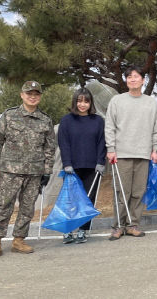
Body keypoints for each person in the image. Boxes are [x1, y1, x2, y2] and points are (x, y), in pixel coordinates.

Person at [0, 81, 56, 262]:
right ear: (22, 95)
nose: (32, 96)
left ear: (40, 97)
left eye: (36, 94)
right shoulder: (9, 116)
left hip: (34, 172)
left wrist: (47, 171)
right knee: (3, 206)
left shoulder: (45, 120)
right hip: (10, 171)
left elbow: (50, 148)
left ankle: (19, 240)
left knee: (27, 208)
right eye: (29, 93)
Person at [104, 66, 157, 240]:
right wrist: (111, 149)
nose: (133, 79)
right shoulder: (117, 101)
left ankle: (133, 224)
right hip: (121, 154)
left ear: (143, 80)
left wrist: (155, 149)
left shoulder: (151, 102)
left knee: (138, 192)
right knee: (122, 192)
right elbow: (109, 126)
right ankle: (118, 226)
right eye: (129, 77)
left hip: (143, 154)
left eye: (136, 77)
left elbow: (156, 128)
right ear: (126, 81)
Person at [58, 88, 106, 244]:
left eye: (86, 101)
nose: (82, 104)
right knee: (70, 199)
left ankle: (83, 230)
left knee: (87, 200)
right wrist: (67, 164)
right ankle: (67, 230)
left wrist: (101, 162)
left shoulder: (98, 121)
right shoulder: (66, 120)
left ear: (90, 103)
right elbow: (63, 143)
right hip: (72, 167)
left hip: (92, 167)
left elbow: (101, 143)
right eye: (79, 101)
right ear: (75, 101)